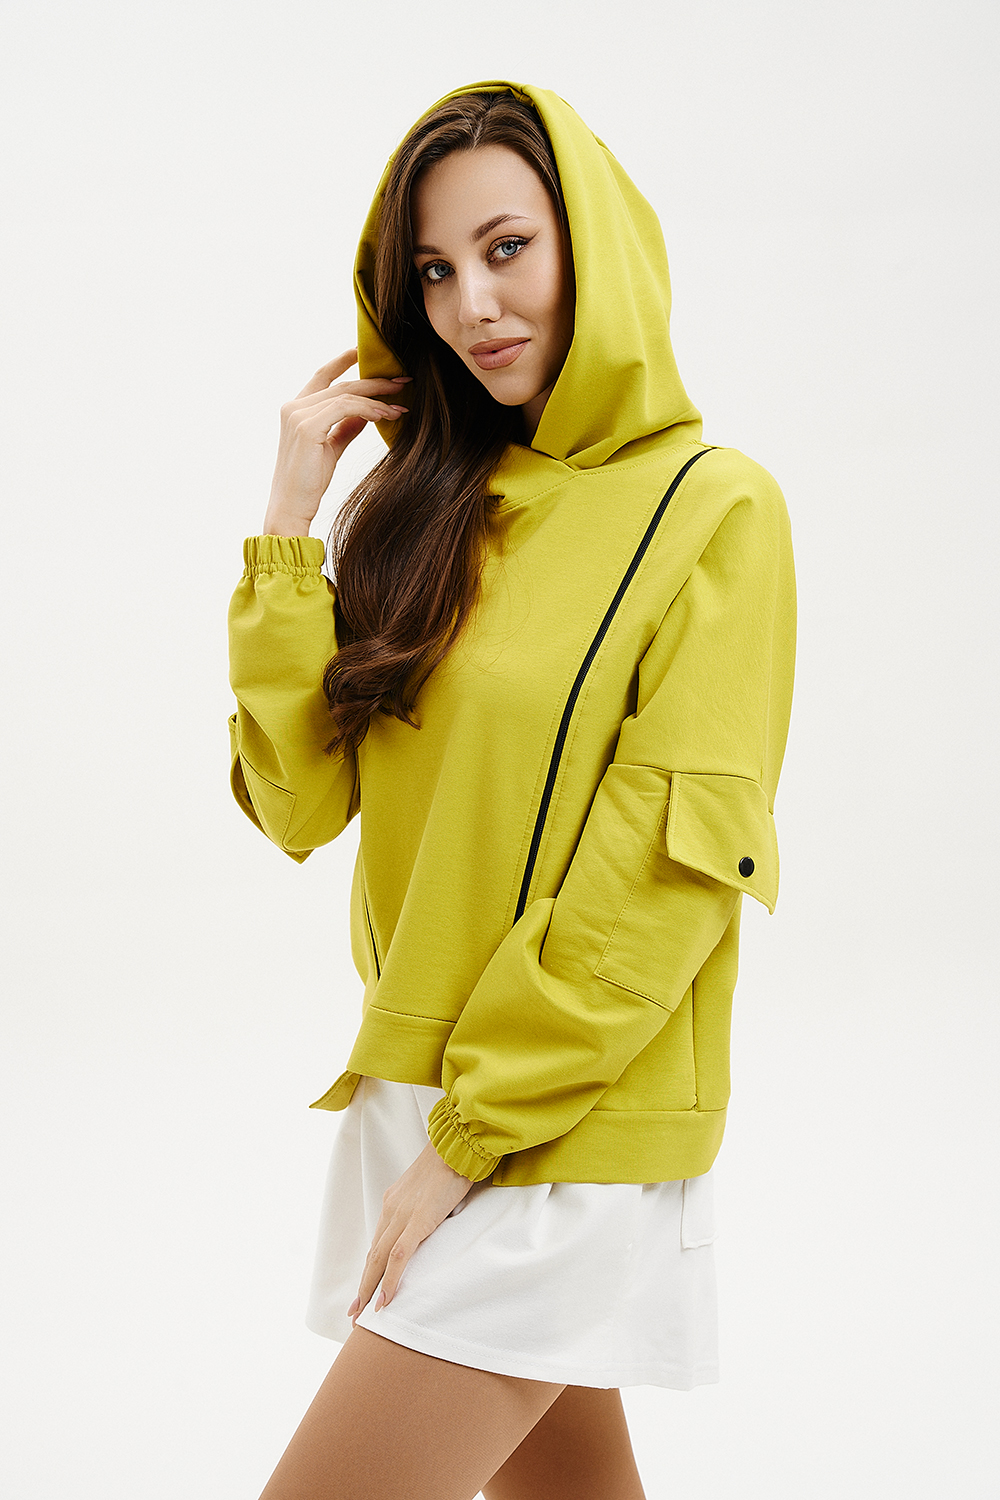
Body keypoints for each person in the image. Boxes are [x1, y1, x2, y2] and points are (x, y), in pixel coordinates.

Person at [227, 79, 796, 1500]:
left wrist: (474, 1133)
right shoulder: (431, 508)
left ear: (589, 243)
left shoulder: (716, 508)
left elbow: (662, 875)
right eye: (433, 271)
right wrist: (290, 527)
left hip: (563, 1123)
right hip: (422, 1096)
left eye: (506, 249)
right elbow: (298, 805)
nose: (472, 305)